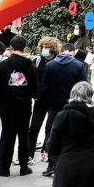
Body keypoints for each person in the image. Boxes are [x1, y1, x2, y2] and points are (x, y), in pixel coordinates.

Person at [0, 35, 37, 176]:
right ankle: (24, 167)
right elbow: (35, 86)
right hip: (24, 106)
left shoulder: (3, 65)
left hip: (8, 106)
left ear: (11, 47)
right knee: (23, 136)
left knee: (8, 136)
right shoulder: (30, 65)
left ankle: (4, 168)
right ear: (24, 48)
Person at [38, 42, 84, 177]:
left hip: (54, 106)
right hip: (73, 106)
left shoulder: (50, 65)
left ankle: (52, 163)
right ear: (72, 52)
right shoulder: (78, 65)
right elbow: (83, 86)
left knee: (52, 133)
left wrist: (44, 101)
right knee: (72, 134)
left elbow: (44, 86)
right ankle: (70, 163)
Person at [27, 37, 61, 166]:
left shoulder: (58, 62)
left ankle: (46, 151)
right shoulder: (37, 61)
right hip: (39, 100)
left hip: (53, 100)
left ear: (53, 48)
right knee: (34, 128)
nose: (44, 49)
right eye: (43, 47)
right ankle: (29, 154)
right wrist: (35, 94)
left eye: (47, 47)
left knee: (50, 129)